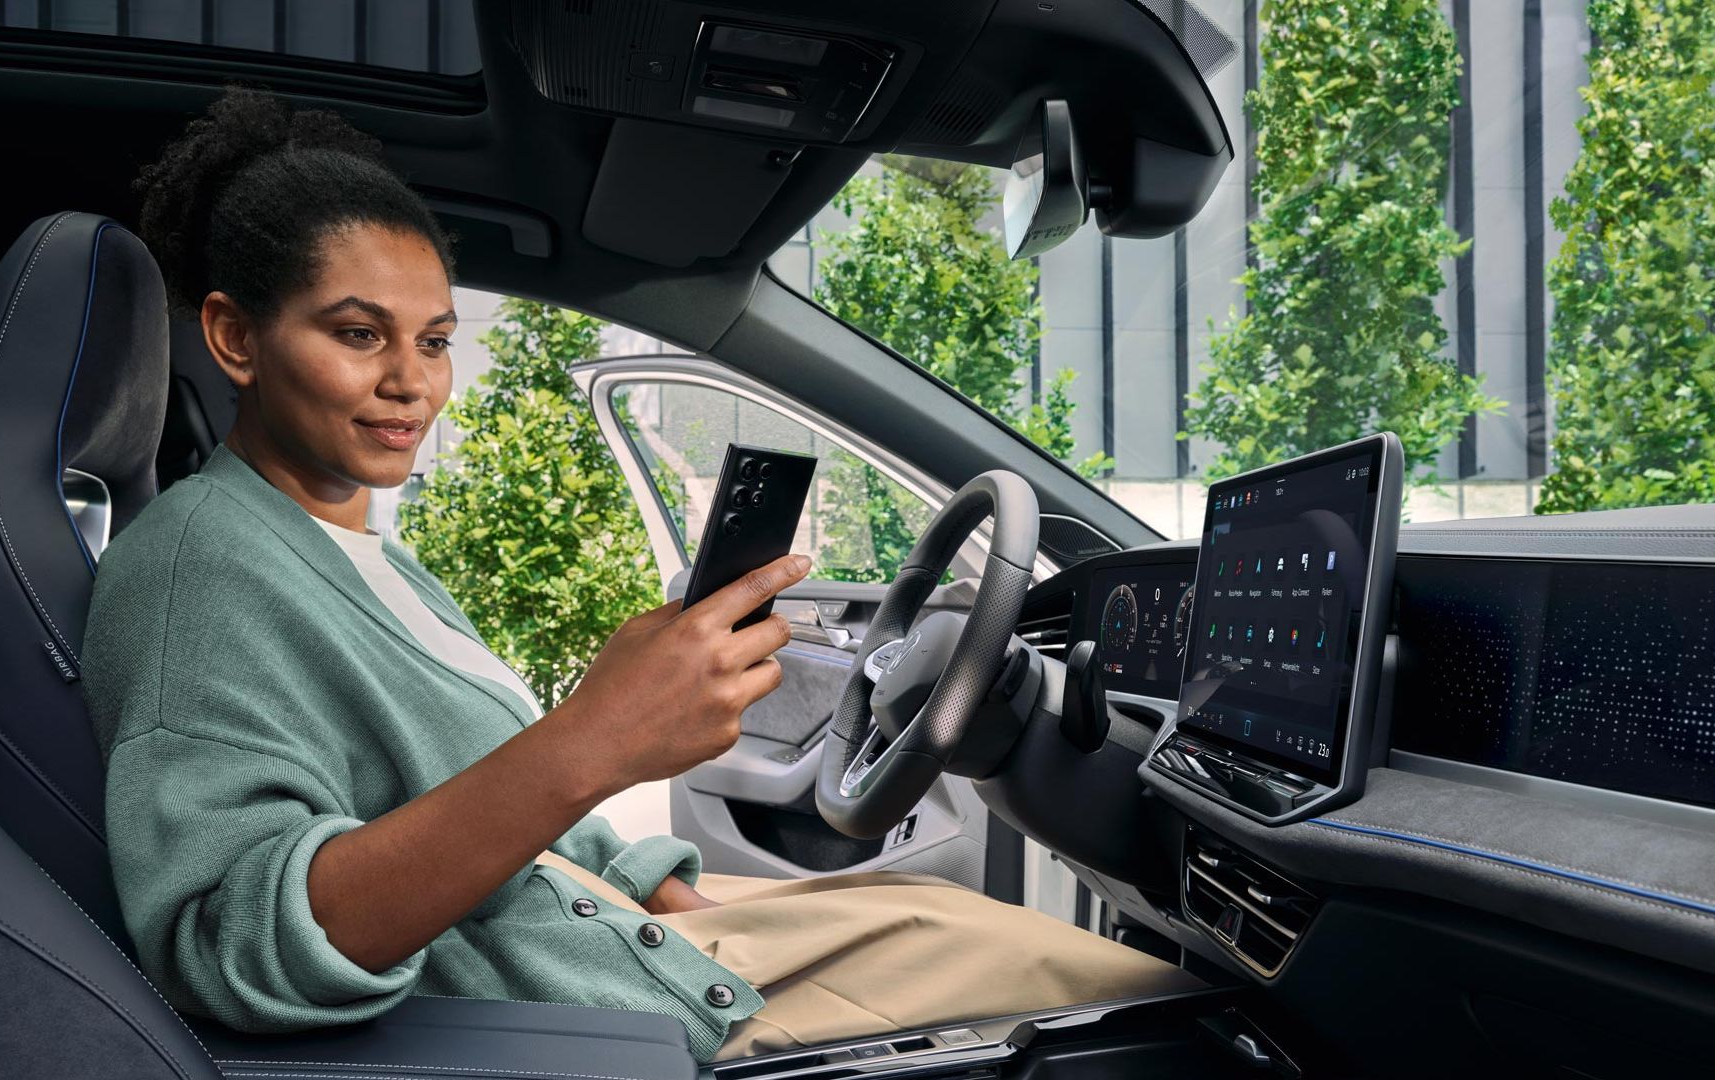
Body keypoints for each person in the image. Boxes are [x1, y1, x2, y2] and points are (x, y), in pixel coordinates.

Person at [84, 88, 1199, 1063]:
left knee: (979, 934)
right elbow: (230, 948)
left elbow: (482, 783)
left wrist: (676, 896)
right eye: (357, 334)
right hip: (578, 1022)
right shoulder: (196, 573)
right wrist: (599, 736)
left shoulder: (358, 550)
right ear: (234, 339)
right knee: (1160, 1011)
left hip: (633, 949)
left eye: (432, 341)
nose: (411, 385)